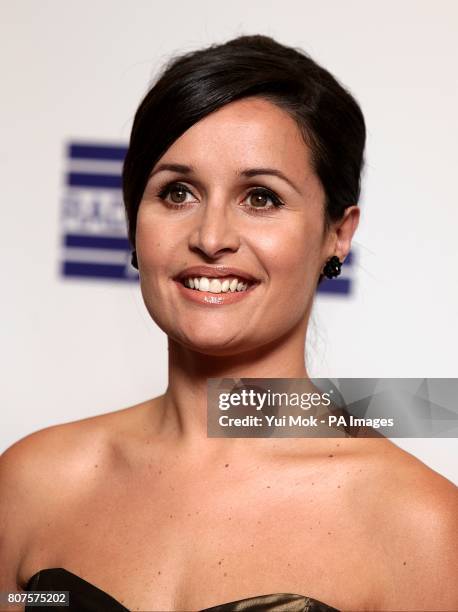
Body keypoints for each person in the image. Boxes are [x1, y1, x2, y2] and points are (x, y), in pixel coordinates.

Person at [1, 34, 457, 612]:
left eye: (261, 197)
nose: (211, 238)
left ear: (337, 234)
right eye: (178, 193)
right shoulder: (31, 484)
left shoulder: (420, 526)